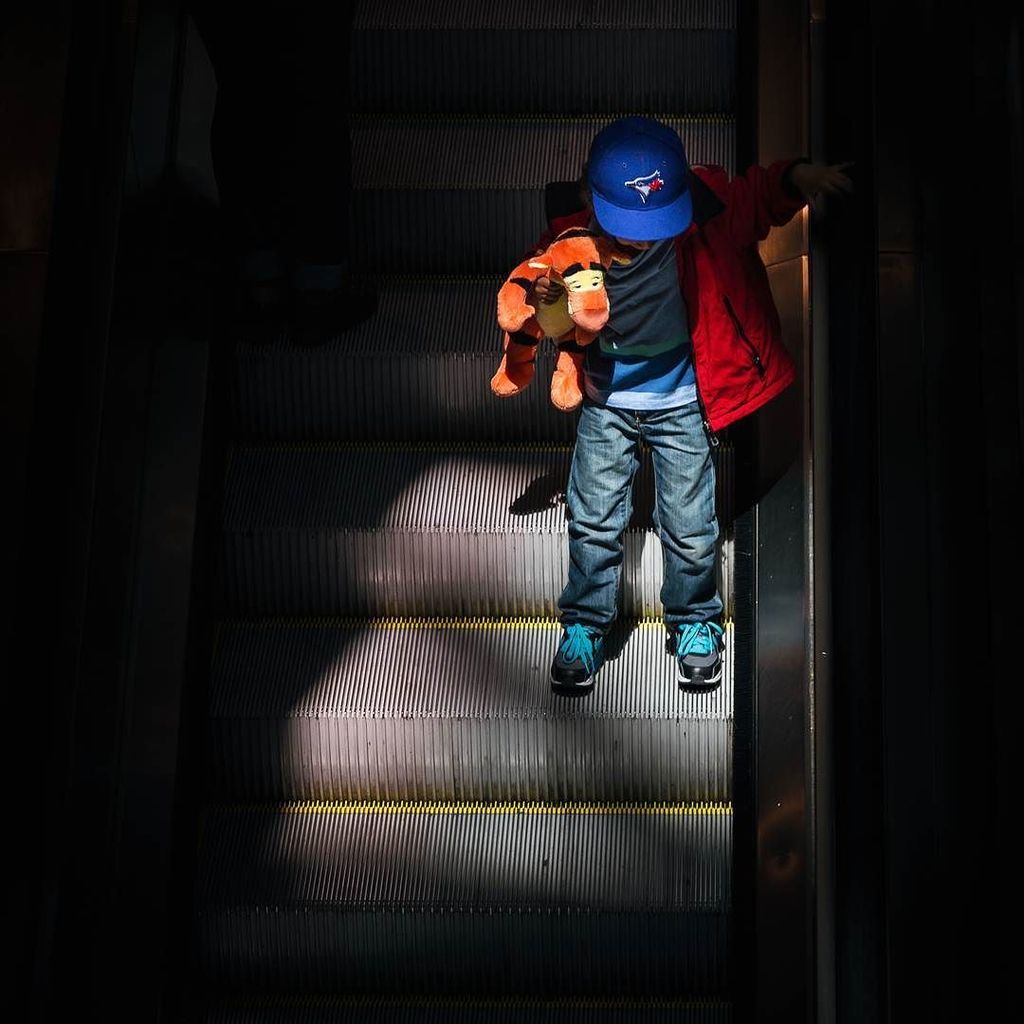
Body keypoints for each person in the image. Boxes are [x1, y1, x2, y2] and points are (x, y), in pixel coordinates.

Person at [504, 116, 853, 695]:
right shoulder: (569, 240)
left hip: (683, 397)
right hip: (606, 398)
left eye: (655, 226)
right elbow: (540, 306)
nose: (644, 240)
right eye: (630, 228)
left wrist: (796, 178)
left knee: (690, 522)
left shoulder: (704, 213)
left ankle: (694, 619)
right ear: (592, 200)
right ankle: (585, 623)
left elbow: (755, 198)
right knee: (592, 517)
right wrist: (545, 299)